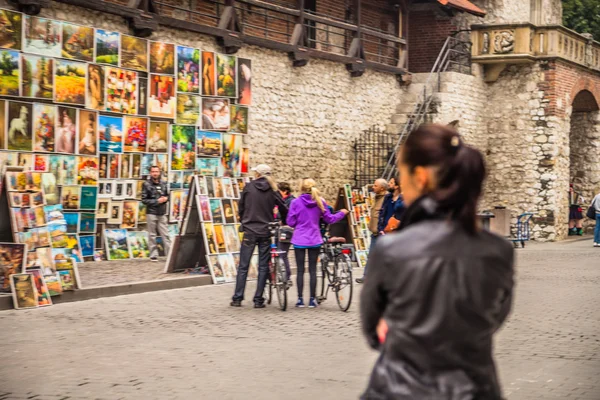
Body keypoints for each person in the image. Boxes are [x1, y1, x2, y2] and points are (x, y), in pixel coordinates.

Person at [360, 124, 514, 399]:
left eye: (402, 172)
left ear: (419, 177)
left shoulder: (392, 249)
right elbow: (493, 319)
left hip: (401, 388)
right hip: (477, 388)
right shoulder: (499, 251)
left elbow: (373, 330)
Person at [231, 164, 288, 308]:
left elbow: (241, 206)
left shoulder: (249, 187)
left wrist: (244, 218)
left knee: (243, 266)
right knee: (263, 266)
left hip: (250, 230)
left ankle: (237, 298)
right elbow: (283, 206)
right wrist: (284, 221)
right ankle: (258, 299)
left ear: (258, 174)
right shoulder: (273, 189)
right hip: (265, 231)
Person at [287, 179, 348, 308]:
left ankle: (299, 299)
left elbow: (291, 222)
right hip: (314, 238)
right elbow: (330, 219)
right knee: (313, 270)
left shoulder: (295, 202)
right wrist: (342, 213)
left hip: (299, 239)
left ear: (302, 188)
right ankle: (312, 300)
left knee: (300, 270)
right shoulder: (320, 202)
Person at [356, 178, 388, 284]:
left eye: (375, 185)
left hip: (382, 233)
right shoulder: (377, 198)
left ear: (382, 188)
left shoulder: (386, 199)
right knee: (371, 256)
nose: (373, 187)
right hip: (374, 233)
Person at [142, 165, 171, 261]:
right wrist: (156, 201)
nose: (155, 173)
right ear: (150, 173)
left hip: (162, 212)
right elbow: (144, 200)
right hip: (151, 212)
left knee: (165, 234)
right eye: (153, 171)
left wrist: (166, 199)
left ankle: (170, 254)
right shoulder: (146, 184)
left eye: (157, 171)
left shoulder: (164, 183)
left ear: (159, 172)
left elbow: (168, 196)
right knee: (152, 234)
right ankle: (153, 254)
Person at [277, 182, 295, 285]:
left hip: (286, 230)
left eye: (279, 192)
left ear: (285, 191)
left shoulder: (291, 201)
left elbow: (290, 216)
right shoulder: (281, 200)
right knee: (280, 253)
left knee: (283, 253)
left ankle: (287, 277)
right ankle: (281, 275)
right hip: (279, 229)